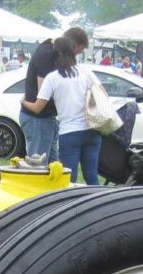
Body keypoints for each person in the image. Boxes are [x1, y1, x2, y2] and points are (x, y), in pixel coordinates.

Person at [20, 36, 101, 184]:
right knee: (92, 176)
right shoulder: (85, 71)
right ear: (72, 51)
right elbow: (101, 92)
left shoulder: (53, 78)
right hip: (92, 130)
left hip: (70, 132)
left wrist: (24, 102)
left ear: (55, 54)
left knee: (69, 179)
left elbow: (38, 108)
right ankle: (100, 205)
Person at [19, 27, 88, 163]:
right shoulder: (47, 54)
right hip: (37, 119)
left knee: (53, 167)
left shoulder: (52, 52)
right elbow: (43, 92)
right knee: (38, 165)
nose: (73, 57)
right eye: (76, 52)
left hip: (47, 118)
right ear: (72, 45)